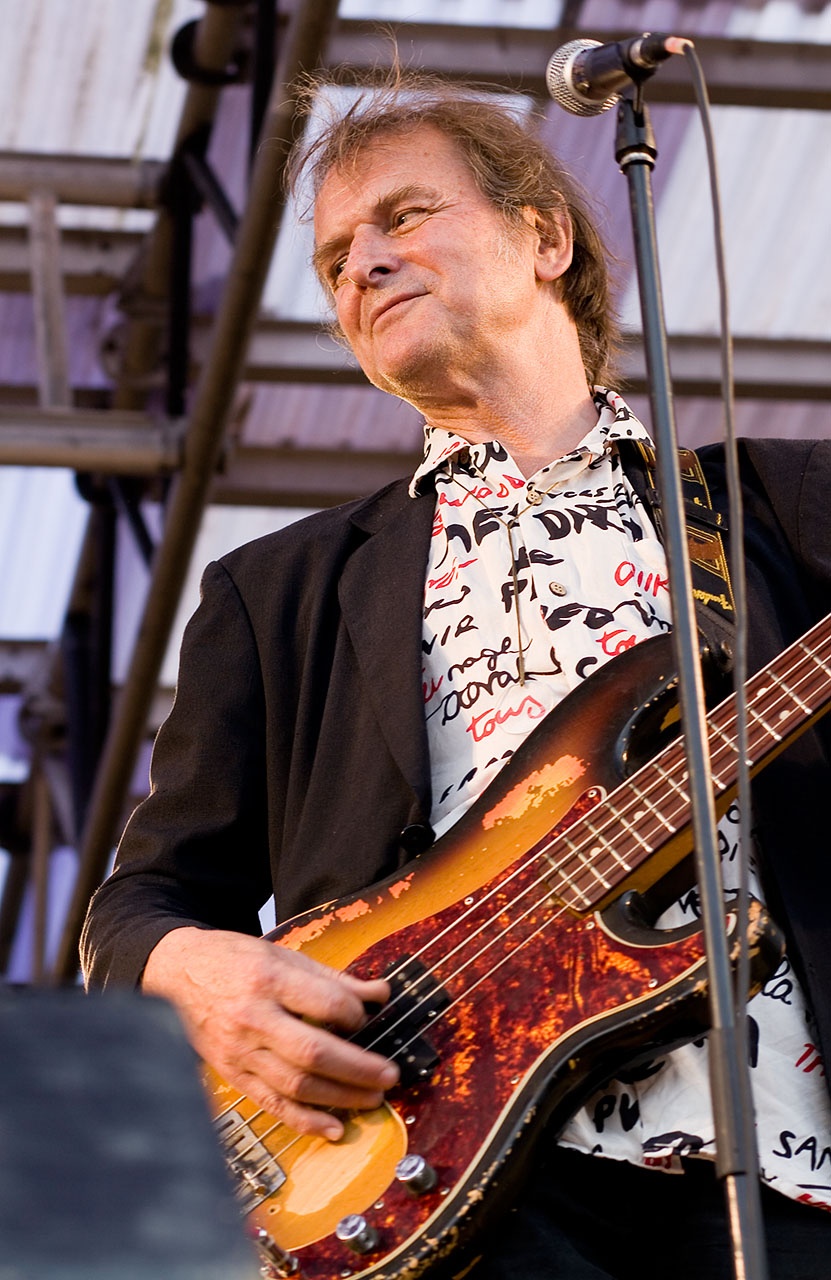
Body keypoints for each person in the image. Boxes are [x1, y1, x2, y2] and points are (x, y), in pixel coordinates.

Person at [82, 70, 831, 1278]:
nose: (362, 267)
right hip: (446, 1180)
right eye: (334, 260)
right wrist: (193, 970)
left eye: (405, 215)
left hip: (784, 1172)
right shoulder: (280, 591)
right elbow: (141, 902)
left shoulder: (777, 505)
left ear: (546, 237)